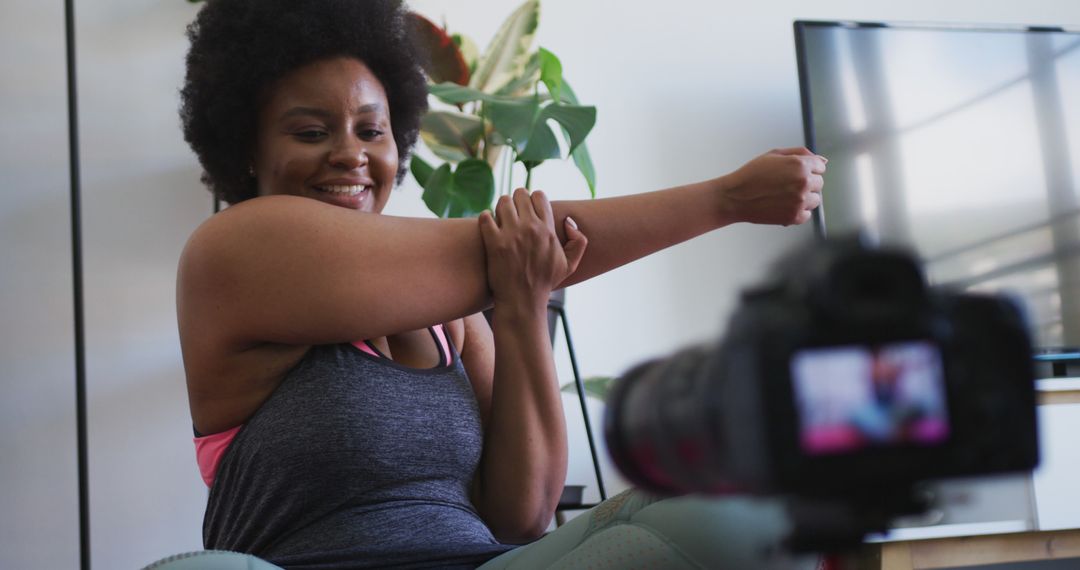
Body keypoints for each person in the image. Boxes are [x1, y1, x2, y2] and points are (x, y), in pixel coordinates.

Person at [176, 0, 826, 568]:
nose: (352, 154)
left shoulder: (449, 318)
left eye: (372, 130)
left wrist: (521, 305)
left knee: (740, 500)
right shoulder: (230, 255)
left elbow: (522, 518)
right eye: (312, 132)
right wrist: (728, 197)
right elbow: (492, 252)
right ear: (247, 149)